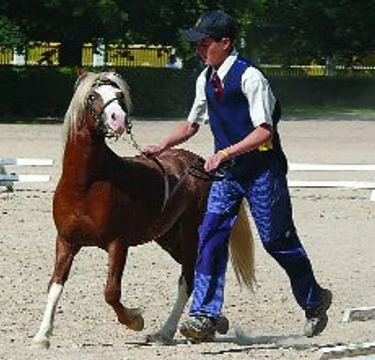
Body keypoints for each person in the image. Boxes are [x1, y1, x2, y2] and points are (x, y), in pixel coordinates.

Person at [142, 10, 332, 342]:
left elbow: (264, 132)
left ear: (225, 43)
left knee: (276, 241)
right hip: (227, 175)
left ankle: (314, 299)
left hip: (262, 171)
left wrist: (225, 152)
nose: (199, 51)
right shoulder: (205, 78)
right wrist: (161, 145)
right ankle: (204, 314)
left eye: (204, 44)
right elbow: (191, 124)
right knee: (211, 235)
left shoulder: (251, 77)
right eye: (198, 45)